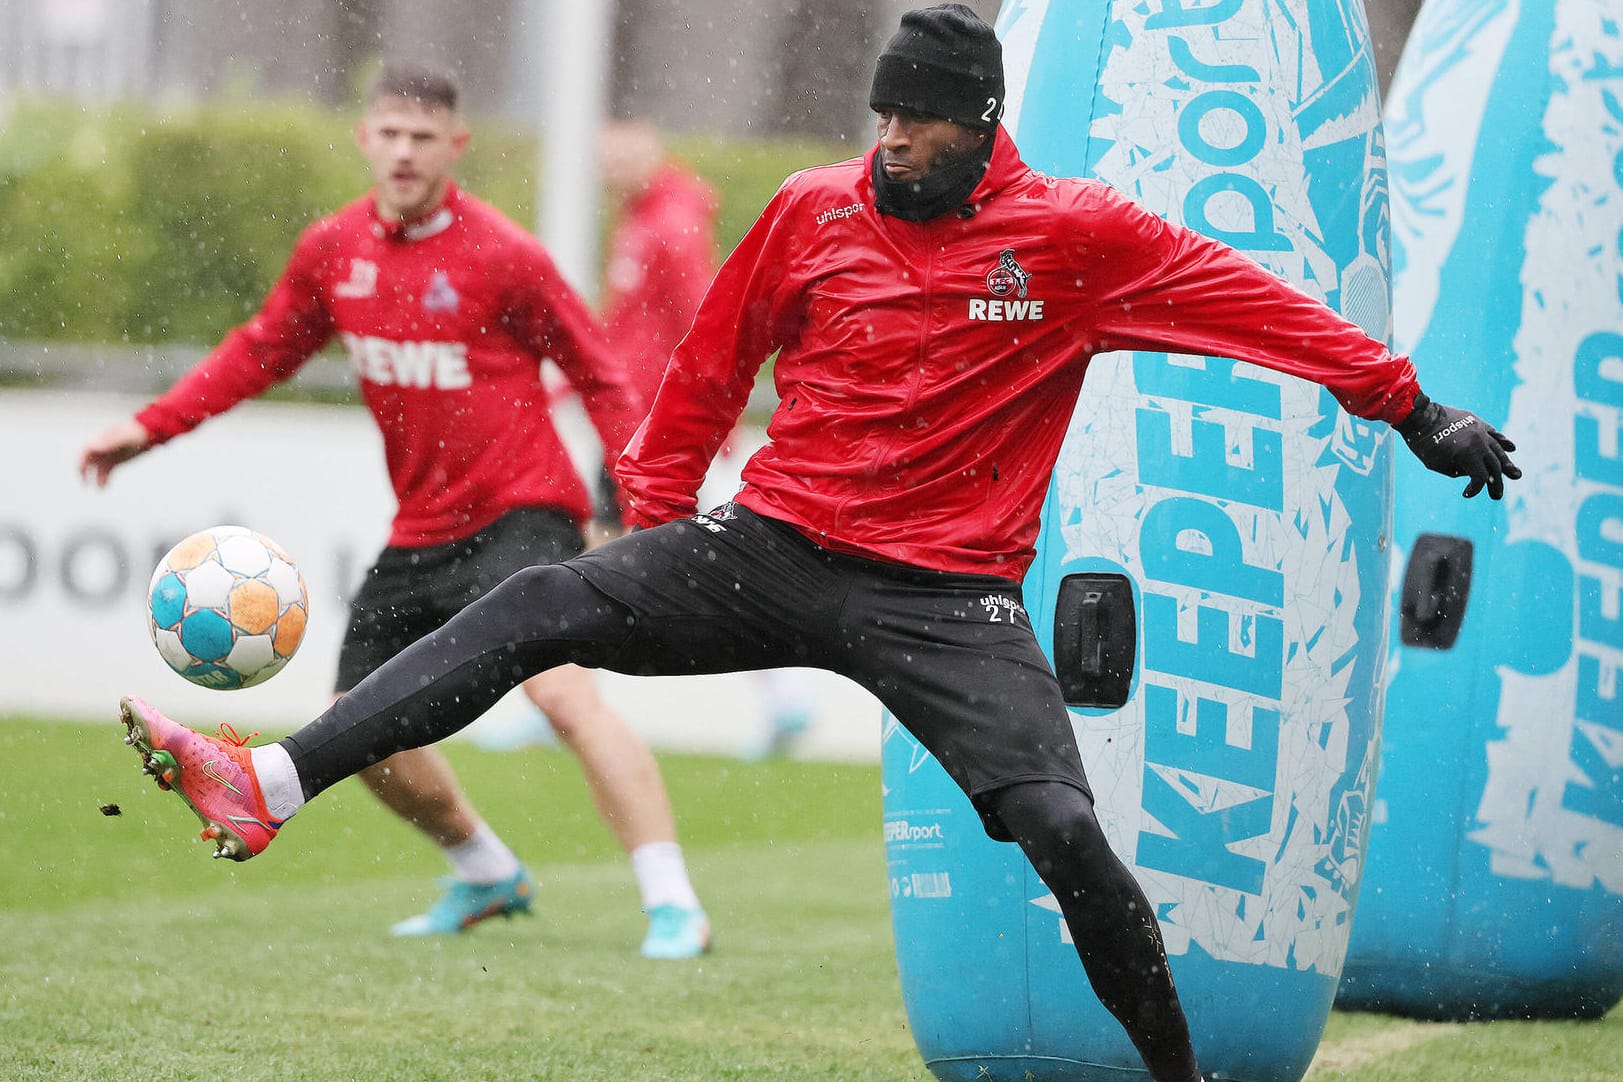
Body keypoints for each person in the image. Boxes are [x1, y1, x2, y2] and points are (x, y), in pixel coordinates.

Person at [109, 9, 1519, 1081]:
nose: (888, 143)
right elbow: (710, 373)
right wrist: (646, 527)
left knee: (1065, 834)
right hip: (771, 544)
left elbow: (1247, 305)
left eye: (916, 127)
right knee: (542, 597)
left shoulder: (1075, 238)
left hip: (946, 600)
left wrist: (1409, 408)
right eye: (879, 120)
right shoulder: (810, 211)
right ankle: (273, 781)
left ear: (978, 126)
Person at [82, 64, 710, 960]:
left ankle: (672, 901)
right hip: (419, 529)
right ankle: (487, 871)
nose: (406, 150)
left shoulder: (505, 255)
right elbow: (259, 352)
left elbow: (601, 374)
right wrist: (148, 428)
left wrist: (647, 499)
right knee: (359, 724)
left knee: (563, 694)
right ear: (365, 140)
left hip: (522, 510)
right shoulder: (334, 251)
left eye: (424, 136)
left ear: (455, 145)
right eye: (391, 133)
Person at [596, 118, 818, 760]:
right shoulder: (641, 217)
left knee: (691, 559)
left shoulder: (672, 222)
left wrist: (710, 421)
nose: (609, 169)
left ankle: (565, 696)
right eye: (604, 158)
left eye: (621, 155)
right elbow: (629, 321)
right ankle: (568, 694)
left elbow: (708, 321)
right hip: (633, 420)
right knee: (609, 552)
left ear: (653, 151)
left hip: (661, 430)